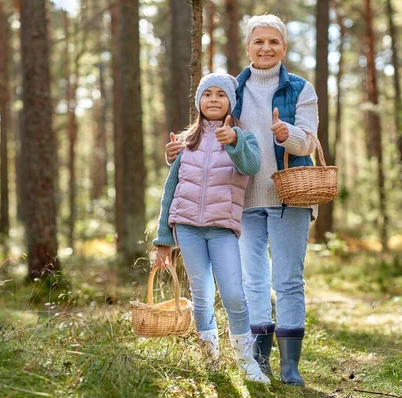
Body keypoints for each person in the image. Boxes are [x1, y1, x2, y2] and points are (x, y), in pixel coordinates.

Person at [166, 15, 319, 386]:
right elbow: (207, 128)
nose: (266, 48)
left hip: (289, 196)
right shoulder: (233, 87)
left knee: (287, 280)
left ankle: (290, 367)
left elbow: (308, 142)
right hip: (242, 200)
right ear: (248, 46)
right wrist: (179, 151)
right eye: (259, 42)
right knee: (252, 281)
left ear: (284, 47)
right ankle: (259, 360)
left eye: (274, 42)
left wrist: (289, 134)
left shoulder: (301, 88)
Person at [153, 73, 269, 384]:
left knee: (232, 294)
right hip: (187, 228)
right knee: (201, 295)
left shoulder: (243, 136)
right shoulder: (186, 141)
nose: (214, 99)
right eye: (207, 94)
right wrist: (163, 240)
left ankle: (247, 363)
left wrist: (234, 143)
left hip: (222, 228)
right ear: (199, 102)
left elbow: (251, 167)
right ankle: (210, 359)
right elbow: (171, 190)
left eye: (221, 94)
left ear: (231, 101)